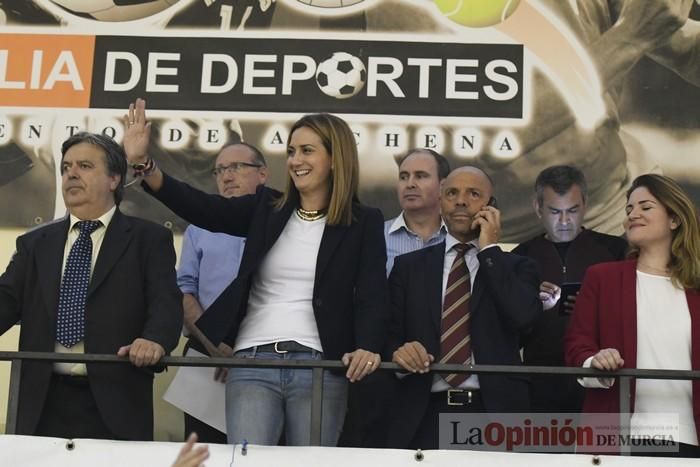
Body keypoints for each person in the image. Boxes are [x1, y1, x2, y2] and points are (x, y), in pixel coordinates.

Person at [122, 98, 388, 446]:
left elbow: (372, 292)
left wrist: (368, 346)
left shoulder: (363, 222)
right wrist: (144, 164)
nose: (295, 160)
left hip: (320, 365)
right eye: (292, 151)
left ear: (336, 158)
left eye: (307, 150)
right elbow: (202, 207)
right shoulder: (268, 207)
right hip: (251, 362)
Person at [0, 132, 182, 440]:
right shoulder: (34, 243)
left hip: (115, 398)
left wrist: (154, 341)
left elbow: (165, 304)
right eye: (67, 166)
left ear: (114, 179)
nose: (71, 173)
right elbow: (6, 301)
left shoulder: (147, 240)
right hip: (42, 399)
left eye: (84, 165)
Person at [385, 166, 542, 450]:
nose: (460, 201)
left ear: (491, 207)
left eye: (473, 194)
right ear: (441, 203)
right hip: (422, 413)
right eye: (452, 193)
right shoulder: (408, 268)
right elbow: (388, 335)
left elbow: (524, 320)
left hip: (493, 414)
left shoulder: (518, 267)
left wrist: (490, 250)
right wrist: (399, 351)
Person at [565, 174, 700, 457]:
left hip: (690, 438)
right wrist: (596, 360)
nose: (633, 214)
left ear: (674, 220)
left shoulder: (696, 287)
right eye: (629, 209)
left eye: (645, 207)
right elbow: (577, 346)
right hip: (619, 437)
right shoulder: (602, 277)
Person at [514, 165, 627, 413]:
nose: (565, 221)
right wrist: (533, 305)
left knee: (600, 451)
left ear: (585, 204)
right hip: (539, 389)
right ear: (537, 208)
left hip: (603, 382)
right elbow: (508, 333)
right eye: (555, 211)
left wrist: (595, 307)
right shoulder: (520, 258)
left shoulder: (617, 251)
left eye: (573, 211)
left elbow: (633, 318)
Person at [177, 142, 268, 443]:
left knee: (265, 456)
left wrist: (243, 351)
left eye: (237, 167)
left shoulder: (283, 224)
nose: (227, 176)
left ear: (263, 175)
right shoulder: (198, 229)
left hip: (268, 356)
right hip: (206, 353)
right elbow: (184, 290)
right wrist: (216, 346)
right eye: (220, 170)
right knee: (206, 451)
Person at [384, 148, 450, 275]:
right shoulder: (377, 237)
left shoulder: (459, 240)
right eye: (403, 177)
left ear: (443, 186)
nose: (410, 184)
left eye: (420, 176)